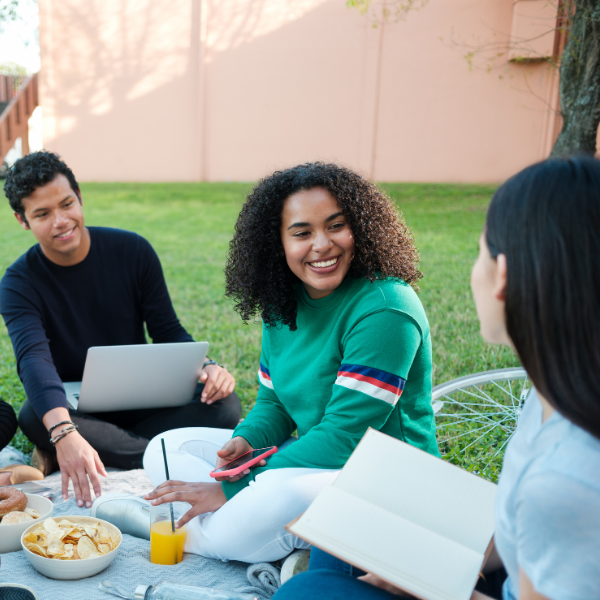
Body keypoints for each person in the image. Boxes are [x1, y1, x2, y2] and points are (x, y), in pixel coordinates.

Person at [272, 156, 600, 600]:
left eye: (480, 250)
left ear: (501, 276)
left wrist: (435, 586)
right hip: (502, 563)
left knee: (306, 593)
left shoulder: (565, 480)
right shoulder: (549, 399)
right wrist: (429, 563)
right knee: (338, 548)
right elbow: (516, 537)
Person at [139, 162, 439, 563]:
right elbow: (275, 403)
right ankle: (280, 536)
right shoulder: (284, 302)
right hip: (321, 462)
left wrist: (230, 489)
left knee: (276, 494)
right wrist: (245, 442)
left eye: (336, 226)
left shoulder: (386, 308)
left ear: (362, 227)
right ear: (277, 242)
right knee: (164, 447)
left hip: (386, 483)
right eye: (302, 233)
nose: (322, 244)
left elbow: (342, 437)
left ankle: (160, 526)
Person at [0, 151, 241, 508]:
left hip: (144, 397)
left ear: (80, 196)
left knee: (224, 405)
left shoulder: (133, 250)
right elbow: (34, 361)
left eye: (67, 204)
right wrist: (65, 431)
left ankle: (109, 452)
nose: (61, 221)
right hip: (80, 410)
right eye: (42, 214)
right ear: (23, 221)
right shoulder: (18, 283)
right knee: (35, 416)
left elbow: (167, 330)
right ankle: (156, 452)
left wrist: (208, 366)